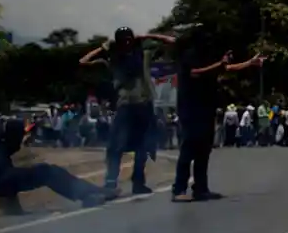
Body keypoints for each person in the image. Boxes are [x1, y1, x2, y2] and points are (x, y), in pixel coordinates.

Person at [79, 27, 176, 199]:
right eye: (122, 40)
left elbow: (172, 42)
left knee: (144, 146)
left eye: (129, 39)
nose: (127, 42)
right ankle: (111, 183)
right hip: (125, 105)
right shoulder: (113, 60)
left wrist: (147, 36)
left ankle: (138, 182)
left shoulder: (144, 54)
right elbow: (83, 62)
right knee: (115, 146)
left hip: (144, 103)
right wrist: (103, 48)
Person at [170, 27, 263, 202]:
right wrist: (218, 65)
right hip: (190, 108)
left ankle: (201, 188)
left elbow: (226, 68)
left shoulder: (208, 56)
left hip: (206, 107)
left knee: (204, 150)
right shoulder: (189, 54)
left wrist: (249, 63)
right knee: (189, 147)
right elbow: (194, 73)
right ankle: (179, 189)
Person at [0, 117, 107, 210]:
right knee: (47, 172)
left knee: (10, 176)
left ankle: (12, 212)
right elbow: (1, 174)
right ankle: (89, 193)